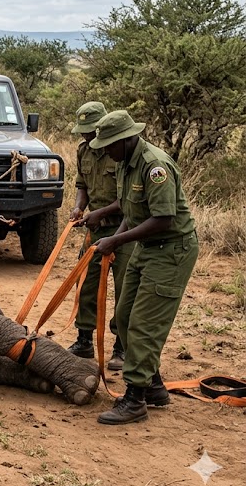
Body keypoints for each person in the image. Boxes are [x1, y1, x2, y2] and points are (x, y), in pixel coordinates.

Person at [89, 111, 198, 425]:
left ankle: (135, 399)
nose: (105, 151)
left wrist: (116, 240)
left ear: (126, 139)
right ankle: (153, 386)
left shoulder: (154, 166)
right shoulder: (125, 163)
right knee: (124, 316)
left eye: (109, 145)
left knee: (144, 324)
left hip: (171, 250)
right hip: (145, 247)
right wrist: (117, 238)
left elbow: (163, 218)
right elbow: (130, 208)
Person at [67, 102, 133, 371]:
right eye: (82, 131)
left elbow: (128, 199)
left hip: (125, 229)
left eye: (89, 130)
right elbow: (82, 185)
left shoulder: (120, 153)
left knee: (125, 289)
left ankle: (122, 346)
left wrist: (100, 213)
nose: (85, 135)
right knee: (85, 283)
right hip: (95, 230)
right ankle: (84, 340)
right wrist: (79, 208)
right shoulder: (83, 150)